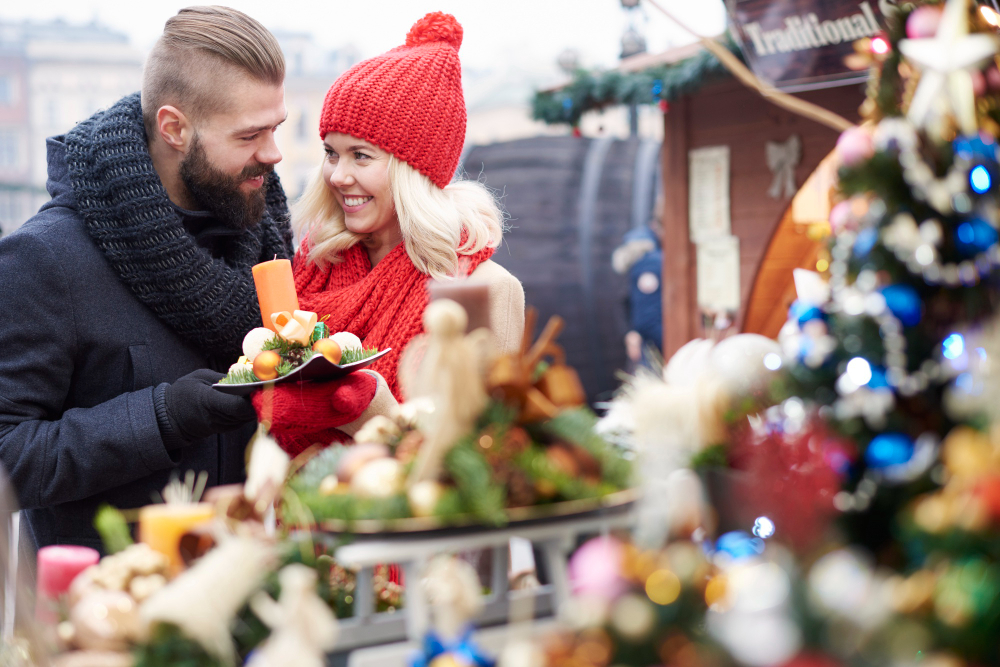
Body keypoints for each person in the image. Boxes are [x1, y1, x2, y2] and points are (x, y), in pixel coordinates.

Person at [0, 6, 296, 551]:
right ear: (174, 128)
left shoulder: (266, 233)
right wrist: (161, 417)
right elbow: (7, 458)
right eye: (251, 134)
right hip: (108, 613)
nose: (274, 154)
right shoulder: (43, 259)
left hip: (251, 596)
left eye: (276, 127)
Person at [255, 12, 525, 455]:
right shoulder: (312, 269)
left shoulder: (485, 291)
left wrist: (370, 408)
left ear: (414, 171)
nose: (337, 176)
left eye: (361, 156)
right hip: (295, 519)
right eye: (331, 153)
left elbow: (481, 458)